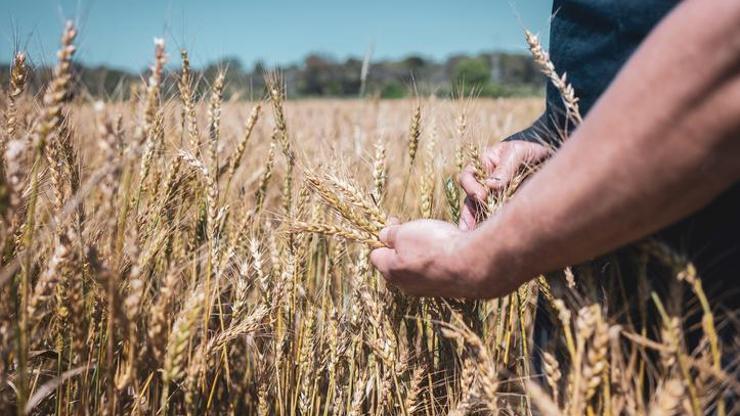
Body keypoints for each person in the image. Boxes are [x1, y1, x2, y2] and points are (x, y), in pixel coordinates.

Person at [369, 0, 740, 315]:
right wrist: (556, 140)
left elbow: (726, 63)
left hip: (707, 324)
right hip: (597, 319)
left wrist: (477, 258)